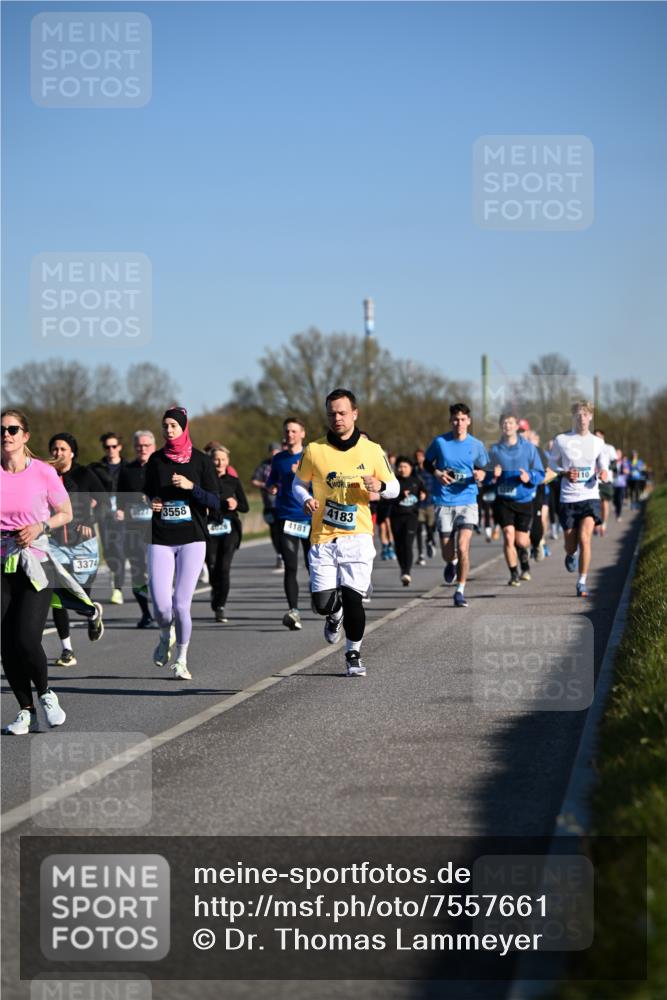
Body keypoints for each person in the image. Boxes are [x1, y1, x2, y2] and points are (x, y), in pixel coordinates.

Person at [1, 410, 103, 734]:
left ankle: (45, 693)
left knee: (27, 638)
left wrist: (39, 525)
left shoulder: (43, 473)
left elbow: (66, 513)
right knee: (5, 643)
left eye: (13, 429)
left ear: (25, 436)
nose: (7, 434)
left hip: (36, 562)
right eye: (2, 429)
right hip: (2, 563)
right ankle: (25, 711)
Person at [292, 388, 398, 676]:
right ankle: (333, 614)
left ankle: (353, 653)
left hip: (358, 536)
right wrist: (305, 499)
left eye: (341, 412)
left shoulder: (372, 450)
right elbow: (297, 484)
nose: (336, 418)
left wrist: (381, 487)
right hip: (323, 536)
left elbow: (395, 487)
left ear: (354, 414)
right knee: (323, 602)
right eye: (331, 413)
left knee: (354, 598)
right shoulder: (314, 450)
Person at [144, 407, 221, 679]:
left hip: (193, 538)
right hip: (161, 538)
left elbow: (215, 502)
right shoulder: (155, 461)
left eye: (174, 426)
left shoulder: (200, 461)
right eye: (165, 426)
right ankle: (166, 635)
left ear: (184, 428)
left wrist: (192, 488)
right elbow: (146, 494)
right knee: (162, 606)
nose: (169, 430)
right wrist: (150, 502)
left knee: (180, 604)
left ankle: (182, 660)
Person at [48, 432, 106, 664]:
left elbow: (104, 502)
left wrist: (89, 523)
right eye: (54, 449)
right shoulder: (45, 475)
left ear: (72, 452)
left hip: (83, 545)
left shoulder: (85, 474)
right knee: (57, 594)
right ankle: (67, 650)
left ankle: (92, 614)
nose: (58, 453)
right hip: (55, 544)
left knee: (81, 596)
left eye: (63, 449)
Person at [424, 403, 489, 608]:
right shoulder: (440, 442)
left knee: (463, 547)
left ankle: (460, 591)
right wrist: (438, 474)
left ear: (468, 421)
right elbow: (427, 463)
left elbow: (485, 468)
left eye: (462, 419)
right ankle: (450, 563)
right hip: (443, 501)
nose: (459, 423)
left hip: (468, 500)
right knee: (447, 552)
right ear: (450, 420)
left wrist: (481, 474)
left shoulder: (476, 445)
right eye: (455, 419)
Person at [547, 401, 610, 598]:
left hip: (590, 496)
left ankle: (582, 581)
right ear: (573, 417)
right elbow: (552, 464)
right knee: (571, 544)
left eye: (585, 414)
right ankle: (570, 554)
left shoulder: (598, 443)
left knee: (585, 538)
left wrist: (603, 472)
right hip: (568, 497)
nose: (581, 418)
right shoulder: (562, 440)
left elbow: (604, 464)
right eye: (578, 414)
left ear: (590, 417)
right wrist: (564, 473)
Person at [487, 415, 544, 587]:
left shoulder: (528, 448)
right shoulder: (495, 450)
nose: (507, 425)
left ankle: (525, 562)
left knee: (521, 541)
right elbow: (485, 475)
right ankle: (513, 574)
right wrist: (492, 475)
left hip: (524, 499)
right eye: (504, 423)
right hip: (503, 500)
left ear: (516, 426)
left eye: (510, 422)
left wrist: (529, 476)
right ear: (500, 427)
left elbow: (540, 473)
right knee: (508, 536)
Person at [267, 418, 312, 631]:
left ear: (302, 433)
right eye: (287, 431)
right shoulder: (279, 460)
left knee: (315, 565)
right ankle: (293, 610)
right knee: (291, 566)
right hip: (286, 518)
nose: (290, 435)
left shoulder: (311, 456)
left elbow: (324, 483)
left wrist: (302, 476)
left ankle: (319, 597)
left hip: (310, 517)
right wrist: (273, 488)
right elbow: (271, 482)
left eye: (294, 431)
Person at [116, 430, 157, 627]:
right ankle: (145, 613)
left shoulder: (160, 467)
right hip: (133, 528)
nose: (143, 449)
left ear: (153, 447)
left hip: (157, 527)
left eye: (146, 445)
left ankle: (163, 609)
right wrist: (120, 510)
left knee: (157, 570)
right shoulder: (127, 470)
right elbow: (120, 497)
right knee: (137, 571)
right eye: (139, 446)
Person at [205, 445, 248, 622]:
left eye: (223, 459)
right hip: (209, 527)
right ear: (211, 460)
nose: (219, 462)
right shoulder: (204, 480)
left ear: (228, 462)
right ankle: (216, 590)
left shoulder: (233, 481)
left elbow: (245, 507)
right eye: (216, 459)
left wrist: (235, 503)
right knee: (212, 566)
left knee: (224, 567)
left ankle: (220, 606)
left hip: (230, 528)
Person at [90, 431, 127, 604]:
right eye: (107, 447)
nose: (110, 450)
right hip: (103, 515)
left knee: (119, 549)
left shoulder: (128, 468)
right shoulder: (96, 469)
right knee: (108, 549)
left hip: (123, 515)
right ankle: (115, 575)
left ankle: (117, 589)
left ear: (120, 447)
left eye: (114, 446)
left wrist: (126, 508)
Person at [388, 455, 425, 585]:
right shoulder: (393, 482)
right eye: (400, 467)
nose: (402, 469)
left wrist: (423, 495)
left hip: (411, 517)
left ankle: (407, 572)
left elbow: (424, 492)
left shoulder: (416, 480)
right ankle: (403, 569)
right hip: (396, 516)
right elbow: (388, 499)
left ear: (410, 468)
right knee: (398, 545)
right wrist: (400, 497)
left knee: (408, 544)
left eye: (405, 467)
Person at [251, 443, 284, 571]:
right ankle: (280, 554)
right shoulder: (264, 465)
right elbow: (254, 480)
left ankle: (286, 554)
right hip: (269, 505)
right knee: (274, 531)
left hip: (283, 504)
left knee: (284, 531)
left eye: (277, 451)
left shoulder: (284, 462)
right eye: (272, 451)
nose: (274, 454)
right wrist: (266, 485)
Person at [414, 447, 436, 563]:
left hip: (430, 502)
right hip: (418, 504)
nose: (418, 459)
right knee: (418, 529)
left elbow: (434, 484)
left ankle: (430, 541)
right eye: (417, 457)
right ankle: (420, 555)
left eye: (420, 456)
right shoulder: (414, 470)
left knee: (430, 527)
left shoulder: (430, 469)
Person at [593, 430, 618, 536]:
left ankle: (603, 524)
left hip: (606, 479)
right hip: (593, 479)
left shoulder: (609, 448)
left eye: (598, 436)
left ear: (603, 436)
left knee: (605, 503)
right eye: (595, 436)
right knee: (595, 503)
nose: (596, 438)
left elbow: (614, 463)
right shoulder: (590, 448)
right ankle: (596, 524)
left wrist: (606, 470)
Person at [613, 449, 630, 520]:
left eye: (618, 454)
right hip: (613, 484)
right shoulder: (612, 463)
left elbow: (628, 471)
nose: (617, 455)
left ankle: (619, 515)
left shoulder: (624, 463)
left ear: (621, 455)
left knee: (620, 500)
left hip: (622, 484)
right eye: (616, 453)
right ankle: (617, 510)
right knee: (615, 500)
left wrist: (624, 471)